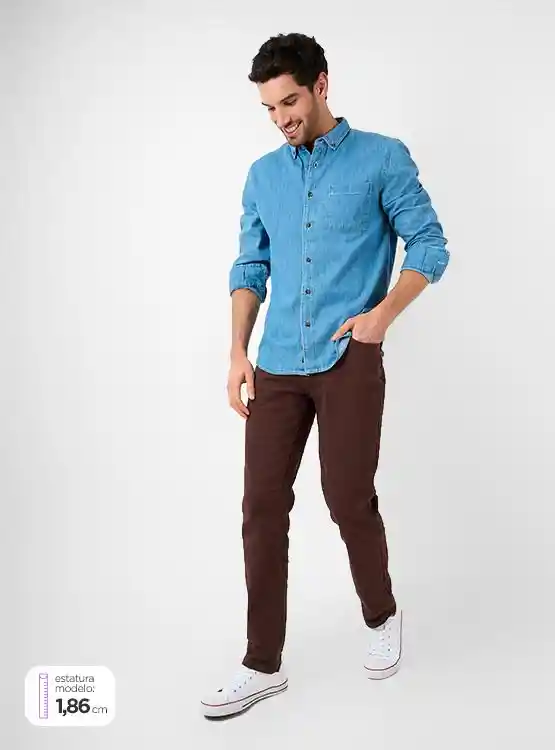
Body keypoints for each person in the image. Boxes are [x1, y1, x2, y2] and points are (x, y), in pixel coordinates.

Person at [201, 32, 449, 720]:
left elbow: (429, 244)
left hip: (347, 358)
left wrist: (381, 317)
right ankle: (261, 663)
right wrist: (237, 351)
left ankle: (381, 613)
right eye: (268, 108)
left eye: (289, 101)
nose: (280, 118)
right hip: (276, 363)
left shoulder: (381, 158)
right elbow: (250, 267)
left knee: (346, 497)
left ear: (321, 85)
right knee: (260, 508)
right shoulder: (262, 176)